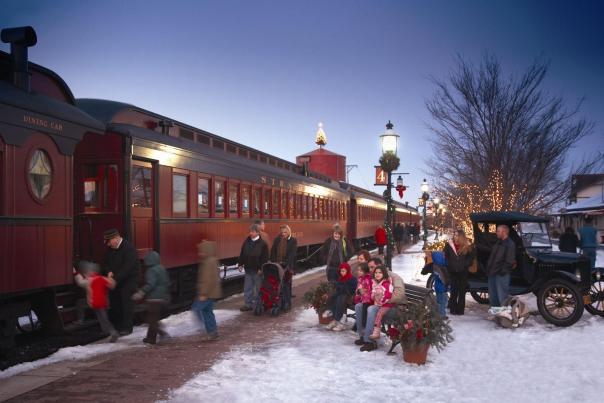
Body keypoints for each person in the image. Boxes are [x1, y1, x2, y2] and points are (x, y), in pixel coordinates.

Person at [103, 228, 140, 335]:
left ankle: (127, 328)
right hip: (116, 279)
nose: (108, 244)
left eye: (109, 241)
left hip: (129, 280)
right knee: (115, 303)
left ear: (115, 238)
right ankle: (117, 326)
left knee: (126, 303)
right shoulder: (111, 249)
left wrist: (114, 280)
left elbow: (127, 268)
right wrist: (108, 271)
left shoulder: (129, 249)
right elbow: (106, 262)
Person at [73, 261, 118, 342]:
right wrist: (110, 277)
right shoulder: (102, 278)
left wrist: (76, 273)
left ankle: (112, 332)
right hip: (104, 302)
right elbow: (112, 285)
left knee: (101, 318)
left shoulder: (89, 280)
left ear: (89, 272)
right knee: (104, 318)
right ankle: (107, 332)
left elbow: (80, 282)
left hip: (94, 302)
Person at [132, 251, 171, 345]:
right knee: (152, 318)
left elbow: (150, 284)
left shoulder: (151, 270)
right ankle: (160, 333)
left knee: (151, 319)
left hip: (154, 298)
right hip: (162, 298)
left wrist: (141, 292)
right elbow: (167, 282)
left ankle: (151, 339)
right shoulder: (162, 268)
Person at [192, 240, 222, 341]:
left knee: (196, 309)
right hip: (211, 292)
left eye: (201, 251)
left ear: (206, 251)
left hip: (207, 293)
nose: (199, 253)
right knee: (208, 312)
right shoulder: (211, 260)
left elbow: (208, 279)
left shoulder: (209, 262)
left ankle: (205, 330)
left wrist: (203, 293)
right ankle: (213, 332)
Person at [238, 224, 269, 311]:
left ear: (258, 232)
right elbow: (242, 254)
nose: (250, 233)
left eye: (253, 231)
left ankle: (259, 305)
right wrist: (240, 264)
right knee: (247, 288)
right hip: (248, 269)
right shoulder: (246, 241)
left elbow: (265, 258)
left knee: (258, 289)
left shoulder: (263, 244)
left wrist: (261, 268)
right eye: (250, 231)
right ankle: (248, 305)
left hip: (257, 270)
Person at [486, 224, 516, 314]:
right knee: (493, 297)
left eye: (498, 231)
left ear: (504, 232)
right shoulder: (498, 242)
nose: (496, 233)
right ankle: (496, 315)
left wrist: (502, 272)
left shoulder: (510, 244)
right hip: (492, 273)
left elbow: (509, 261)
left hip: (501, 275)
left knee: (502, 297)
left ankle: (504, 317)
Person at [444, 230, 474, 315]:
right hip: (453, 272)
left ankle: (460, 310)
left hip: (463, 272)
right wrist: (449, 265)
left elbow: (471, 257)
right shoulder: (449, 245)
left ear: (461, 236)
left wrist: (465, 264)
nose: (455, 236)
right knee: (454, 291)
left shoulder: (467, 246)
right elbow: (445, 256)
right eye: (454, 235)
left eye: (457, 235)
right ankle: (453, 310)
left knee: (461, 292)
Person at [270, 225, 297, 311]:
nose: (283, 234)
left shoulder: (293, 241)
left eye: (285, 232)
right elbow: (273, 251)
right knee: (278, 285)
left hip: (287, 266)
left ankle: (287, 303)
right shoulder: (277, 239)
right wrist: (274, 262)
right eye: (282, 232)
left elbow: (292, 254)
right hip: (278, 265)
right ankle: (279, 302)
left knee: (287, 285)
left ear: (289, 232)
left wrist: (286, 264)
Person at [325, 263, 358, 331]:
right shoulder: (340, 278)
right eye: (341, 271)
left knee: (340, 298)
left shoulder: (352, 279)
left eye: (343, 271)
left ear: (347, 271)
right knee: (332, 298)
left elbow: (353, 290)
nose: (341, 272)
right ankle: (334, 319)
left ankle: (338, 320)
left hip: (350, 296)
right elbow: (338, 289)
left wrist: (344, 287)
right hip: (342, 294)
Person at [368, 266, 394, 340]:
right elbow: (372, 293)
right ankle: (371, 330)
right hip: (379, 304)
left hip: (387, 304)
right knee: (371, 311)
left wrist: (380, 302)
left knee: (379, 314)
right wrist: (374, 296)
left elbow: (388, 296)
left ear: (384, 274)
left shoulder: (387, 284)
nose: (377, 274)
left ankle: (376, 332)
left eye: (380, 273)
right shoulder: (376, 283)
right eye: (376, 273)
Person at [353, 262, 373, 345]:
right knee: (358, 306)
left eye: (361, 271)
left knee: (365, 310)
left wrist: (364, 292)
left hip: (368, 300)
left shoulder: (368, 279)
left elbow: (370, 290)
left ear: (365, 271)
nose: (359, 272)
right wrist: (359, 292)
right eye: (358, 270)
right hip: (362, 300)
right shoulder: (360, 279)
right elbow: (357, 290)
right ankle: (361, 335)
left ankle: (365, 334)